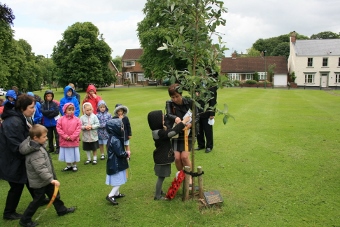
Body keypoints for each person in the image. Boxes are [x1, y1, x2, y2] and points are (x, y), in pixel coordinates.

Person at [18, 124, 76, 227]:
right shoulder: (35, 153)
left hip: (46, 180)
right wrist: (51, 179)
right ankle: (25, 220)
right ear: (35, 138)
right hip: (40, 182)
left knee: (54, 193)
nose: (47, 138)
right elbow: (41, 169)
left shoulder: (36, 144)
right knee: (38, 200)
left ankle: (61, 209)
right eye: (44, 137)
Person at [0, 94, 46, 220]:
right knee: (17, 185)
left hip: (16, 158)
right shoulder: (13, 122)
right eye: (31, 107)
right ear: (22, 108)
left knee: (27, 179)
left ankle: (39, 198)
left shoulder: (19, 118)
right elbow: (17, 146)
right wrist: (34, 146)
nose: (34, 109)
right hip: (11, 160)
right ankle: (9, 213)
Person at [147, 110, 190, 200]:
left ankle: (160, 191)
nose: (164, 121)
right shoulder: (159, 133)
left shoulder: (159, 131)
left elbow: (169, 131)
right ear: (156, 121)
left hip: (162, 157)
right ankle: (157, 196)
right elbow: (172, 133)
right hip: (162, 158)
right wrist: (183, 122)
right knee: (161, 177)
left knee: (162, 176)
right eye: (162, 119)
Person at [165, 83, 198, 172]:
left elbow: (197, 116)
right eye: (173, 97)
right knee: (177, 158)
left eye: (177, 96)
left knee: (184, 157)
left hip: (190, 132)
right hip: (176, 132)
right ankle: (182, 177)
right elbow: (168, 114)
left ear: (181, 94)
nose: (175, 99)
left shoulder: (190, 102)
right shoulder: (169, 103)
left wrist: (190, 124)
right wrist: (175, 118)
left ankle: (190, 177)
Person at [105, 118, 130, 205]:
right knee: (119, 181)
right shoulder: (115, 140)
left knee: (118, 179)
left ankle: (117, 193)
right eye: (121, 127)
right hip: (116, 164)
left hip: (115, 163)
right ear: (115, 128)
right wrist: (126, 154)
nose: (122, 129)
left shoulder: (112, 138)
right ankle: (111, 195)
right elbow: (120, 153)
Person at [196, 70, 218, 153]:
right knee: (199, 130)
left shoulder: (212, 86)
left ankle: (209, 146)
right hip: (198, 111)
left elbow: (213, 100)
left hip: (207, 112)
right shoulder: (197, 85)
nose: (202, 76)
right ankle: (201, 145)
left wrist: (212, 113)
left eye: (204, 74)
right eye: (201, 74)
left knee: (208, 130)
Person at [57, 103, 82, 172]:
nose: (71, 111)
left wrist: (72, 137)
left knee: (74, 153)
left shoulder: (77, 119)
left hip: (73, 140)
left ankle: (74, 165)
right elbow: (59, 128)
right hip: (64, 140)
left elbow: (78, 129)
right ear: (65, 110)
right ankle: (68, 165)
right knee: (66, 153)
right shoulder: (61, 119)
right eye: (69, 109)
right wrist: (65, 136)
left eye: (72, 110)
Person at [41, 90, 60, 154]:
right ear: (45, 97)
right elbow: (43, 111)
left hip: (54, 122)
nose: (49, 97)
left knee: (57, 136)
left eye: (51, 96)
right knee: (49, 136)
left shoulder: (54, 104)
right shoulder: (43, 104)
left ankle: (58, 148)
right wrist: (51, 112)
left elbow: (57, 112)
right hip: (47, 123)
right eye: (48, 96)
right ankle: (51, 148)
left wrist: (49, 114)